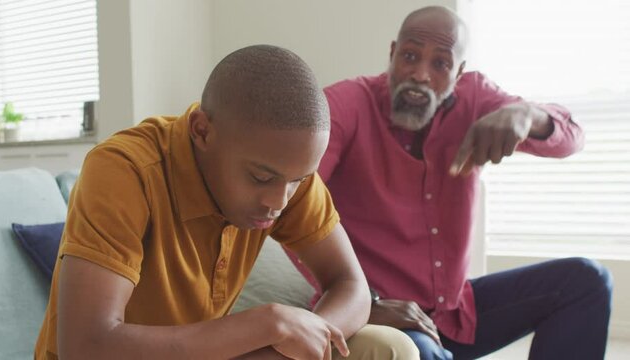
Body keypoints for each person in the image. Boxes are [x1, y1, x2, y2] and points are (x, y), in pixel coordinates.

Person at [34, 45, 419, 359]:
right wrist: (265, 324)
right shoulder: (125, 170)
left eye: (298, 182)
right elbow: (86, 346)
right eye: (261, 178)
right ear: (202, 131)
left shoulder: (285, 170)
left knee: (390, 348)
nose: (278, 202)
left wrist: (296, 343)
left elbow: (350, 284)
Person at [308, 6, 613, 360]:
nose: (420, 75)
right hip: (382, 315)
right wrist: (363, 300)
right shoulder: (348, 104)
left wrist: (526, 114)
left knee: (586, 281)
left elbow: (572, 137)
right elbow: (295, 199)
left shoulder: (476, 98)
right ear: (392, 54)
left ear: (459, 73)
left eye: (440, 63)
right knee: (419, 354)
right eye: (409, 56)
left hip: (455, 314)